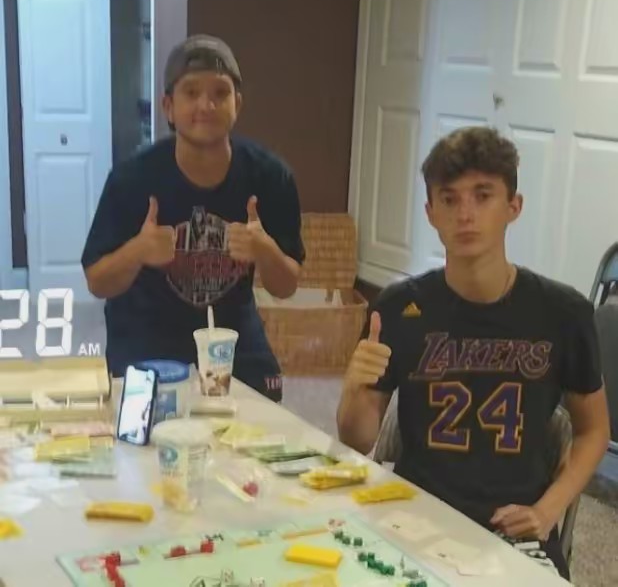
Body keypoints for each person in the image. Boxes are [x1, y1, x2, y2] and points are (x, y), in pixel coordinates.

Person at [337, 127, 610, 579]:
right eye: (449, 199)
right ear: (430, 212)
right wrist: (354, 387)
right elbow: (357, 439)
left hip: (511, 528)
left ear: (513, 207)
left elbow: (594, 430)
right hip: (413, 514)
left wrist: (548, 510)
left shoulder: (563, 313)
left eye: (483, 196)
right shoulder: (399, 307)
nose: (465, 214)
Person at [82, 35, 305, 402]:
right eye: (191, 93)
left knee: (265, 410)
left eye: (220, 92)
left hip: (230, 335)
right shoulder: (131, 179)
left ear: (237, 104)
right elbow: (97, 281)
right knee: (148, 425)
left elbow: (286, 286)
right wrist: (138, 251)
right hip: (145, 334)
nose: (206, 104)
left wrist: (265, 250)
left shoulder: (271, 177)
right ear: (168, 107)